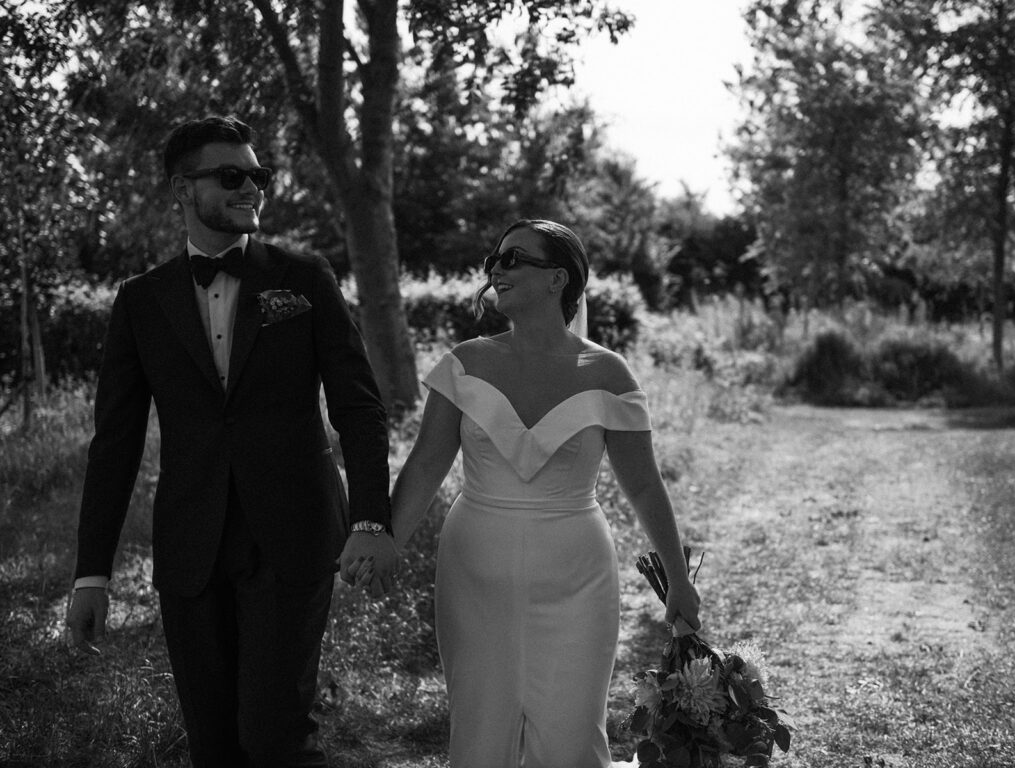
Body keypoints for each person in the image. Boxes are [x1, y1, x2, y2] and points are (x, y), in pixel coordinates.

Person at [65, 115, 398, 768]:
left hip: (293, 535)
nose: (252, 188)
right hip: (191, 547)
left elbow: (358, 407)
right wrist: (91, 572)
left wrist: (370, 518)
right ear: (181, 190)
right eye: (231, 175)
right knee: (214, 745)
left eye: (259, 176)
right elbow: (115, 444)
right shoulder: (140, 301)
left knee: (273, 737)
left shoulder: (304, 279)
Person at [383, 219, 701, 768]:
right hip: (474, 569)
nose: (496, 270)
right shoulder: (465, 363)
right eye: (494, 261)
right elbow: (426, 465)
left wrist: (678, 581)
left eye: (513, 259)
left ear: (557, 279)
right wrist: (382, 540)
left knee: (573, 737)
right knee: (480, 732)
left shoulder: (608, 372)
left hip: (577, 575)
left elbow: (644, 484)